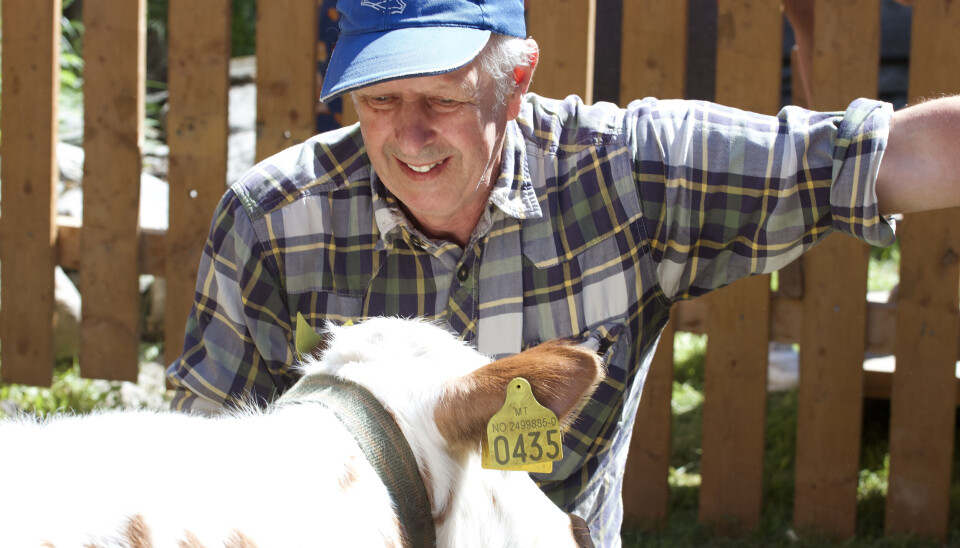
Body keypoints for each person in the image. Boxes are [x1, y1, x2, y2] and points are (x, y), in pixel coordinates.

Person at [166, 0, 960, 545]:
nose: (408, 137)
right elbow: (194, 465)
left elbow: (887, 156)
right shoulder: (273, 218)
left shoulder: (629, 176)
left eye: (440, 99)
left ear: (515, 82)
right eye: (377, 100)